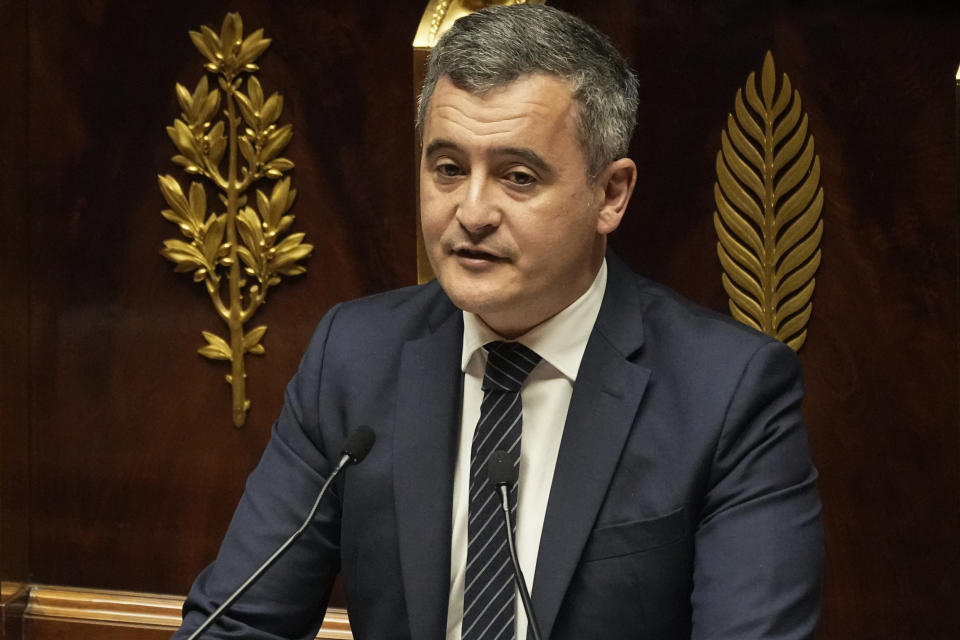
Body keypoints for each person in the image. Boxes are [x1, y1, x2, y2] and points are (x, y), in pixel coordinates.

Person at [174, 5, 823, 640]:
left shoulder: (728, 392)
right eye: (448, 169)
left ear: (611, 194)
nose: (472, 211)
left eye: (518, 177)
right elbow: (239, 620)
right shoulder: (353, 357)